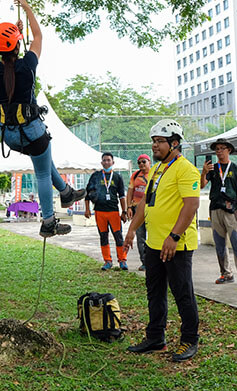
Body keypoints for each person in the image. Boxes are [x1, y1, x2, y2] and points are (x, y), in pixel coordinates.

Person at [0, 0, 85, 237]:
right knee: (42, 171)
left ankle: (65, 191)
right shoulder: (28, 65)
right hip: (31, 130)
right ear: (18, 46)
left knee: (44, 161)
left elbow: (8, 59)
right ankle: (49, 221)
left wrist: (15, 38)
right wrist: (28, 10)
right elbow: (38, 37)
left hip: (10, 136)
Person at [124, 119, 201, 363]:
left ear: (175, 143)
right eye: (154, 142)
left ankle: (189, 340)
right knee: (154, 292)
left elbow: (191, 206)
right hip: (154, 243)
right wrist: (131, 231)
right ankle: (155, 338)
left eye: (160, 142)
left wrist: (174, 236)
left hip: (177, 245)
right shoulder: (157, 169)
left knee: (183, 293)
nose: (155, 146)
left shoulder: (186, 169)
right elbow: (145, 203)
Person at [200, 138, 237, 286]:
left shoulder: (236, 169)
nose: (219, 151)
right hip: (215, 209)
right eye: (217, 149)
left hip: (232, 210)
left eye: (222, 148)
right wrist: (204, 172)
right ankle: (226, 273)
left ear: (229, 150)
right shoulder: (213, 168)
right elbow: (202, 185)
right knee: (219, 244)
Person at [85, 152, 128, 270]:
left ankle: (122, 260)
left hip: (113, 211)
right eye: (104, 160)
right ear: (101, 162)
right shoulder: (96, 176)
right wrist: (87, 209)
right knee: (103, 236)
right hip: (99, 211)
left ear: (113, 162)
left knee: (118, 236)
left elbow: (122, 196)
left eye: (108, 160)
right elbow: (87, 194)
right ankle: (107, 261)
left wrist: (124, 211)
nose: (106, 162)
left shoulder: (117, 177)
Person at [126, 154, 151, 271]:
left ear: (149, 162)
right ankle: (145, 262)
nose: (141, 164)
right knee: (140, 236)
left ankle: (153, 261)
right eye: (139, 162)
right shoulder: (135, 175)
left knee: (152, 236)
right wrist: (129, 208)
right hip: (137, 209)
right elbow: (130, 192)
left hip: (150, 209)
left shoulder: (154, 174)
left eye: (143, 162)